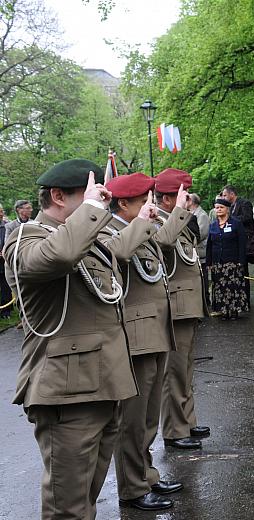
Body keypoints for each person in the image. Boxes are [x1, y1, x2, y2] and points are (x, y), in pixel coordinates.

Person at [3, 159, 138, 519]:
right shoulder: (24, 237)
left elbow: (119, 252)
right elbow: (59, 256)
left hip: (104, 382)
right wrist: (93, 210)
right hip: (66, 391)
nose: (103, 204)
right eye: (92, 195)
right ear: (58, 196)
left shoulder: (88, 237)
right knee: (68, 507)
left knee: (86, 498)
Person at [101, 173, 190, 511]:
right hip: (136, 336)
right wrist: (141, 221)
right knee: (134, 418)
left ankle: (147, 475)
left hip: (154, 330)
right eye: (143, 201)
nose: (150, 206)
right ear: (123, 204)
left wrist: (178, 211)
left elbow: (165, 241)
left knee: (149, 415)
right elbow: (119, 252)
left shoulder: (140, 226)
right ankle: (132, 487)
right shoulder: (110, 231)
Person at [156, 169, 210, 450]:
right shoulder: (158, 221)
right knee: (174, 372)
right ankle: (175, 431)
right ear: (168, 198)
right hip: (175, 307)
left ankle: (187, 421)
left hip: (187, 305)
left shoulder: (176, 219)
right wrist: (179, 211)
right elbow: (163, 242)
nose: (188, 198)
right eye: (182, 194)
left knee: (186, 369)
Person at [206, 198, 249, 320]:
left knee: (233, 286)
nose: (219, 210)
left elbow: (242, 243)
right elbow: (209, 244)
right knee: (220, 287)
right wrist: (209, 261)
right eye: (217, 207)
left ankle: (234, 310)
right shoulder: (213, 225)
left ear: (227, 209)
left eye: (221, 207)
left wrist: (241, 260)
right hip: (217, 262)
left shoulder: (236, 223)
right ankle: (223, 311)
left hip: (232, 261)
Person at [221, 185, 254, 302]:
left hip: (244, 241)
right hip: (233, 242)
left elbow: (247, 217)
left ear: (232, 194)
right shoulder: (230, 207)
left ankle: (246, 300)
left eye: (225, 195)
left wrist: (230, 219)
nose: (224, 197)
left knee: (243, 270)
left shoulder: (245, 203)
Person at [188, 194, 211, 303]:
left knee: (203, 277)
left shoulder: (201, 215)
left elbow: (202, 233)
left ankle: (206, 299)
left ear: (192, 202)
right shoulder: (191, 214)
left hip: (201, 251)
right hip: (194, 252)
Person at [0, 204, 11, 319]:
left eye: (2, 211)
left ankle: (6, 312)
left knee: (5, 288)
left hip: (4, 263)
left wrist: (5, 251)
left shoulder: (7, 226)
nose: (1, 213)